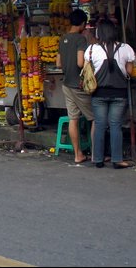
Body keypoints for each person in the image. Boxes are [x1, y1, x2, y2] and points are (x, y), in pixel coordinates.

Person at [88, 21, 136, 169]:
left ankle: (97, 159)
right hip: (119, 93)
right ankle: (117, 160)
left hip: (98, 93)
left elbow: (88, 72)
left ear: (99, 33)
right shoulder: (125, 48)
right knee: (115, 126)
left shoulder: (91, 49)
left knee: (100, 125)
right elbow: (130, 72)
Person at [55, 9, 94, 164]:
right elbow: (80, 62)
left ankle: (78, 154)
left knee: (73, 119)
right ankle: (96, 153)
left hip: (66, 85)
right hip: (78, 85)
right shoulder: (80, 39)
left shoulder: (62, 38)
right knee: (95, 118)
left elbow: (58, 63)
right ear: (83, 24)